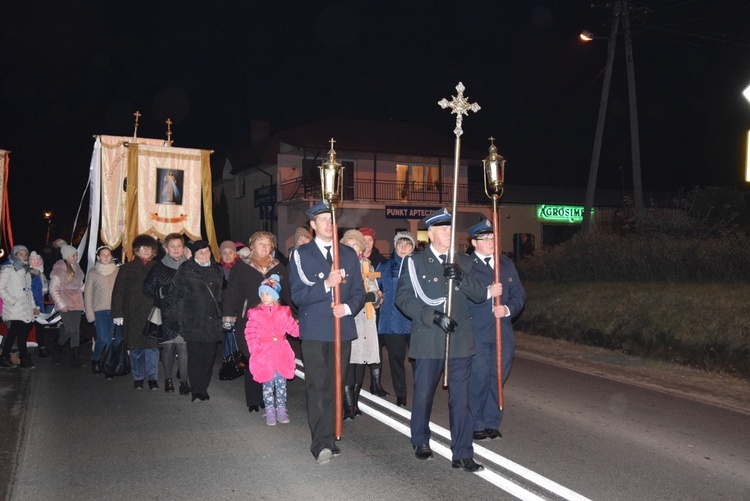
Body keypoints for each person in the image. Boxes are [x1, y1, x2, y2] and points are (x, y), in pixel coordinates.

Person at [395, 208, 498, 473]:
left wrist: (461, 277)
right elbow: (404, 299)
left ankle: (462, 453)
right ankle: (420, 440)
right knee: (424, 395)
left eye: (451, 230)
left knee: (461, 399)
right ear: (430, 234)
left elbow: (480, 295)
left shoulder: (464, 261)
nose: (449, 234)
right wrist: (433, 316)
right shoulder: (415, 262)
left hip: (460, 339)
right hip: (429, 338)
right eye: (443, 230)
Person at [289, 201, 366, 465]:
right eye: (322, 219)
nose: (327, 223)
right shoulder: (301, 255)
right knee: (318, 385)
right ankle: (320, 442)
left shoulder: (348, 254)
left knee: (336, 384)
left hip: (341, 329)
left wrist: (346, 307)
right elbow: (297, 296)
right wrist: (326, 284)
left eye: (331, 219)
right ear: (312, 225)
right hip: (315, 331)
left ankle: (331, 436)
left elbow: (358, 292)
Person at [466, 220, 526, 441]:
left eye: (493, 238)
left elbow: (519, 294)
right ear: (474, 242)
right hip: (477, 332)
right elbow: (461, 298)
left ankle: (492, 421)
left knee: (497, 377)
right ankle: (476, 422)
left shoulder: (505, 264)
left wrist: (508, 308)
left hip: (503, 332)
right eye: (486, 239)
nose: (492, 242)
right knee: (479, 377)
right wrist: (487, 294)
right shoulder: (467, 265)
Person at [223, 231, 294, 413]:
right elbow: (232, 293)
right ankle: (253, 399)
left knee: (269, 360)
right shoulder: (242, 267)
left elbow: (288, 293)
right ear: (252, 246)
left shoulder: (278, 267)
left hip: (271, 323)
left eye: (268, 244)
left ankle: (267, 398)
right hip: (249, 321)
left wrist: (298, 313)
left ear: (272, 247)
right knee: (252, 357)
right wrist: (229, 317)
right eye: (260, 243)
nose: (264, 246)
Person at [169, 240, 223, 402]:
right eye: (201, 252)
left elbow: (222, 295)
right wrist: (174, 317)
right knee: (195, 356)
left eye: (207, 251)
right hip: (193, 320)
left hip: (213, 322)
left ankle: (203, 387)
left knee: (208, 357)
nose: (205, 255)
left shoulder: (217, 269)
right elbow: (175, 294)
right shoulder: (186, 269)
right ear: (193, 255)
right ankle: (196, 390)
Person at [244, 275, 300, 426]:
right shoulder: (255, 314)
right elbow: (250, 333)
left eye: (267, 293)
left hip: (281, 351)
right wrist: (255, 350)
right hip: (264, 353)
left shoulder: (283, 312)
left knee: (281, 382)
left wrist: (304, 328)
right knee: (267, 383)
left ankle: (281, 409)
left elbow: (293, 330)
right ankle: (269, 410)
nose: (264, 296)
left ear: (275, 297)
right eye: (262, 294)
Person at [340, 229, 383, 420]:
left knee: (361, 362)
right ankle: (348, 407)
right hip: (349, 317)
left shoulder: (368, 265)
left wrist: (374, 297)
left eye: (355, 244)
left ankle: (355, 403)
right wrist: (368, 296)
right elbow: (344, 295)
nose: (352, 247)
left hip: (367, 318)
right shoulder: (339, 266)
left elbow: (377, 295)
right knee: (349, 361)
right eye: (348, 244)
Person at [111, 235, 160, 390]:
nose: (146, 251)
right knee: (136, 348)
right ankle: (138, 377)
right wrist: (117, 313)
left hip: (153, 313)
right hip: (132, 313)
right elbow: (118, 292)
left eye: (149, 248)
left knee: (152, 348)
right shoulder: (126, 268)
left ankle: (152, 378)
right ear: (137, 250)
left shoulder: (158, 267)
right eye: (143, 248)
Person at [142, 233, 190, 395]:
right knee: (169, 347)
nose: (176, 249)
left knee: (183, 348)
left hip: (186, 314)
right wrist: (162, 291)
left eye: (179, 246)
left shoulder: (190, 266)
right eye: (172, 246)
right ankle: (168, 380)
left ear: (183, 248)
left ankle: (184, 381)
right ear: (166, 249)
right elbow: (147, 289)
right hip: (167, 313)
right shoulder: (158, 267)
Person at [376, 231, 416, 407]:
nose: (404, 248)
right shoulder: (384, 266)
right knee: (396, 359)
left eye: (408, 245)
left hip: (415, 319)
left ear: (413, 248)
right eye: (400, 244)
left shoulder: (419, 266)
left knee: (418, 359)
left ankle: (421, 390)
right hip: (391, 319)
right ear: (395, 245)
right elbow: (374, 288)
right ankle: (401, 394)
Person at [358, 226, 388, 397]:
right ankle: (357, 384)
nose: (367, 243)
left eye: (369, 240)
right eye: (364, 240)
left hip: (376, 309)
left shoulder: (380, 261)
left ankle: (376, 383)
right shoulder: (353, 259)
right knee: (359, 346)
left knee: (375, 345)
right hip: (358, 309)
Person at [0, 245, 39, 369]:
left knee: (19, 334)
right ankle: (19, 358)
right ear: (15, 255)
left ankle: (12, 357)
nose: (24, 256)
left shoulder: (26, 270)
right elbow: (1, 288)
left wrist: (33, 306)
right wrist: (12, 300)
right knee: (15, 333)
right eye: (21, 254)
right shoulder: (8, 269)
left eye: (25, 254)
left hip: (26, 308)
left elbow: (29, 291)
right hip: (14, 308)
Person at [84, 245, 119, 375]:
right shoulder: (93, 272)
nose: (106, 257)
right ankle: (96, 359)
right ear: (98, 257)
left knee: (111, 339)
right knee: (103, 339)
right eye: (103, 255)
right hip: (100, 311)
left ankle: (107, 364)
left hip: (115, 311)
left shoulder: (117, 271)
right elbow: (88, 294)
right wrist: (90, 314)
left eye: (108, 255)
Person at [49, 245, 85, 367]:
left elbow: (80, 286)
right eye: (73, 255)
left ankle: (75, 359)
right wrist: (61, 304)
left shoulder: (77, 268)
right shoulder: (59, 269)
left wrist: (89, 287)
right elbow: (53, 288)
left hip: (77, 303)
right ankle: (56, 350)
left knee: (75, 331)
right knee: (70, 330)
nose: (75, 257)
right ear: (66, 256)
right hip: (65, 303)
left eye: (76, 255)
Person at [218, 240, 240, 361]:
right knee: (226, 336)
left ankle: (236, 359)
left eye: (230, 252)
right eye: (224, 253)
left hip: (237, 309)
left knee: (236, 336)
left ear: (235, 254)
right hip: (222, 309)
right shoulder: (217, 270)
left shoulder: (240, 269)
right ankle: (228, 360)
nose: (227, 255)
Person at [28, 251, 49, 359]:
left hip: (39, 305)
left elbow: (43, 289)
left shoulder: (40, 274)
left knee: (40, 328)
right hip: (32, 306)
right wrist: (35, 306)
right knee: (27, 328)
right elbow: (32, 292)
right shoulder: (31, 275)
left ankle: (42, 348)